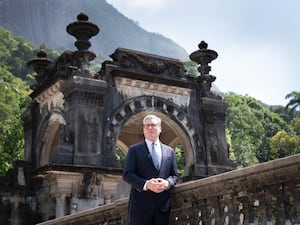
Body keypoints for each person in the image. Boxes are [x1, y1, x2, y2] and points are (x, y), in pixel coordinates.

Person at [123, 114, 179, 225]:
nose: (150, 128)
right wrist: (146, 184)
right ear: (143, 129)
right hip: (140, 207)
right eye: (147, 126)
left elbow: (175, 175)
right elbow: (127, 174)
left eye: (153, 125)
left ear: (160, 129)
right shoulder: (134, 150)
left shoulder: (169, 151)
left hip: (163, 207)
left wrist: (167, 183)